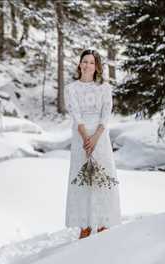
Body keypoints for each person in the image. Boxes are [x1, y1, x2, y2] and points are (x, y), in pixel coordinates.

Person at [64, 49, 122, 239]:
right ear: (79, 64)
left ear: (96, 66)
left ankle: (103, 222)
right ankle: (85, 225)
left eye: (91, 62)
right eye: (84, 61)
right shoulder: (72, 88)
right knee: (83, 179)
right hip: (80, 136)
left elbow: (107, 112)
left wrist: (96, 137)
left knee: (101, 178)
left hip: (100, 136)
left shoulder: (104, 88)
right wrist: (84, 137)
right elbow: (75, 114)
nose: (87, 65)